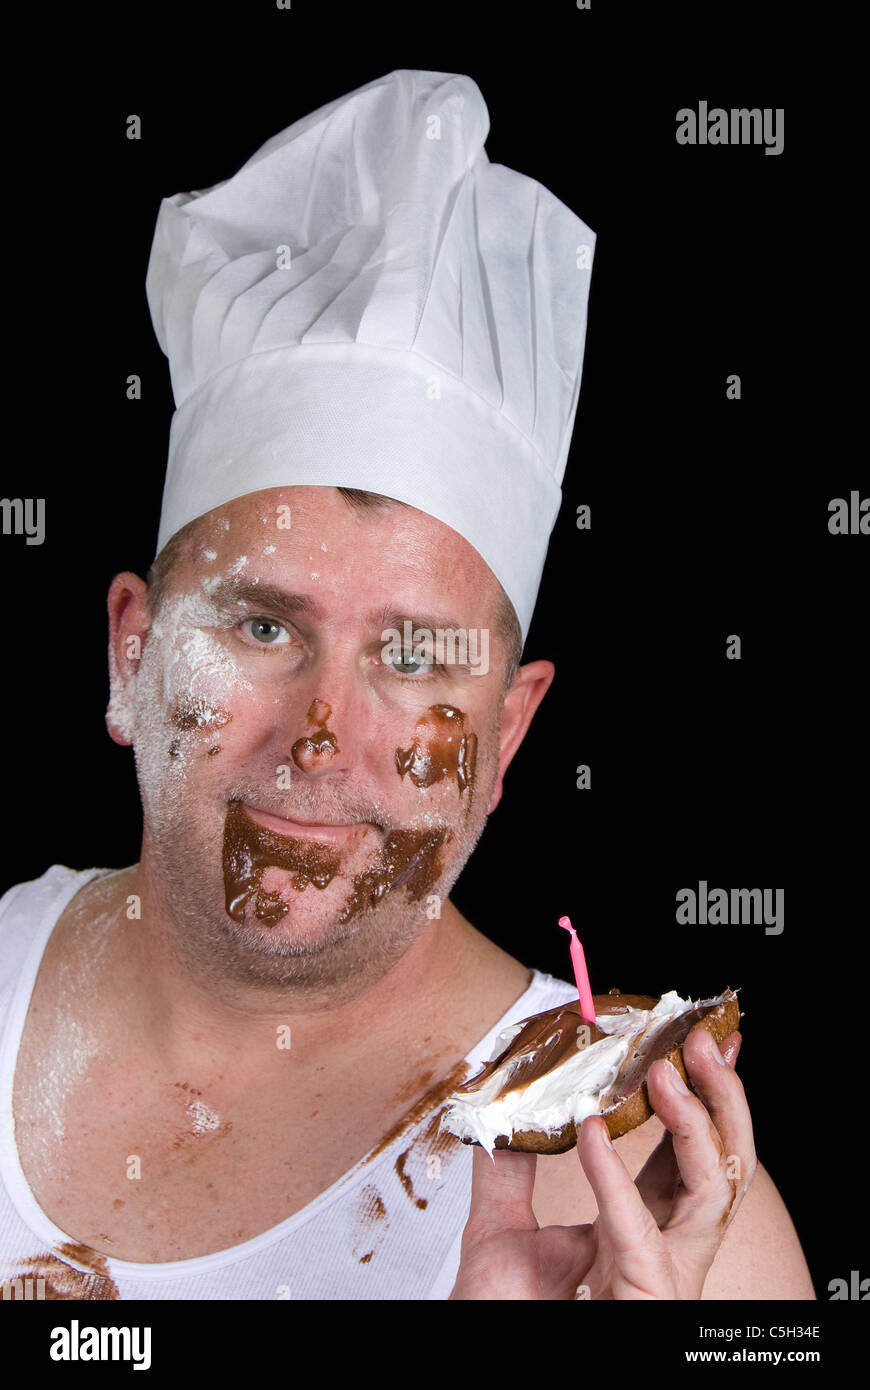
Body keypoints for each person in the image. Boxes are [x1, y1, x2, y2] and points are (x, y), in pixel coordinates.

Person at [0, 70, 813, 1300]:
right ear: (131, 653)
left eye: (416, 656)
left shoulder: (656, 1220)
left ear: (510, 730)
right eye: (265, 625)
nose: (322, 737)